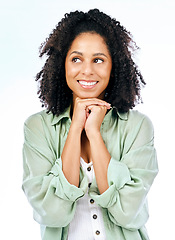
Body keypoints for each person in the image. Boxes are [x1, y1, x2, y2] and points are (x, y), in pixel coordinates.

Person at [22, 8, 158, 240]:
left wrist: (93, 132)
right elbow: (53, 213)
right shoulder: (38, 127)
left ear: (114, 66)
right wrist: (75, 128)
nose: (87, 70)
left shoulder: (137, 126)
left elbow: (127, 212)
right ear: (62, 64)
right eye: (76, 59)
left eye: (98, 60)